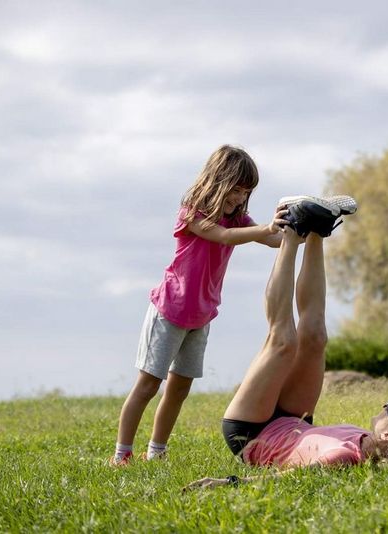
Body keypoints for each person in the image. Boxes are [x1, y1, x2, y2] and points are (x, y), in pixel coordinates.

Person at [183, 196, 388, 489]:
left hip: (251, 432)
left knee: (283, 340)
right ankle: (318, 229)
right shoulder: (368, 442)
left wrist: (225, 483)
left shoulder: (342, 456)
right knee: (316, 336)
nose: (385, 404)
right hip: (295, 419)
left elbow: (287, 479)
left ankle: (293, 228)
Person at [110, 145, 289, 466]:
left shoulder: (239, 219)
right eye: (236, 190)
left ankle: (157, 451)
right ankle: (122, 453)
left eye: (245, 192)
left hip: (201, 316)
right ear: (219, 180)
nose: (239, 198)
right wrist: (266, 228)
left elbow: (274, 240)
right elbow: (220, 236)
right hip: (169, 311)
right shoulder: (192, 212)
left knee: (179, 390)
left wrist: (300, 229)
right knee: (149, 385)